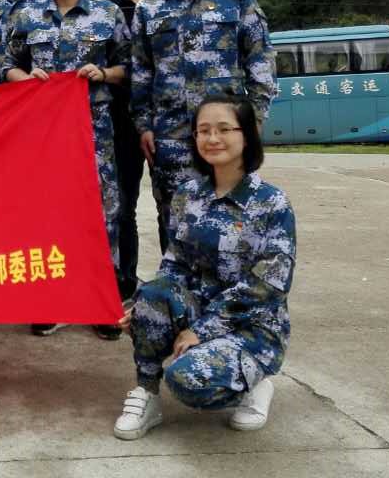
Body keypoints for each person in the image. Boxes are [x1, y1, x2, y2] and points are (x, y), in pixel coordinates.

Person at [113, 93, 296, 440]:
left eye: (224, 129)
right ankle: (146, 392)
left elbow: (269, 286)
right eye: (203, 130)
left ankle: (254, 383)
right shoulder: (187, 195)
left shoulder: (271, 202)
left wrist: (204, 330)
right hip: (198, 311)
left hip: (253, 327)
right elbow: (175, 263)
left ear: (247, 135)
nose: (213, 139)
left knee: (187, 379)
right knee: (152, 295)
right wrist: (142, 307)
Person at [3, 0, 129, 339]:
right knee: (48, 214)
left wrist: (103, 73)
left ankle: (100, 304)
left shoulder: (108, 14)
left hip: (94, 131)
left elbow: (130, 66)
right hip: (43, 135)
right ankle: (52, 301)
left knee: (101, 214)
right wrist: (26, 78)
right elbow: (6, 66)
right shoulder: (27, 16)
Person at [130, 0, 277, 251]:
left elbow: (260, 60)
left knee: (233, 213)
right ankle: (177, 283)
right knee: (174, 219)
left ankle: (230, 282)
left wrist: (255, 117)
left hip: (226, 133)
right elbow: (141, 72)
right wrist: (144, 126)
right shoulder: (149, 8)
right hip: (171, 136)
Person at [103, 0, 158, 316]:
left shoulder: (169, 4)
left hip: (169, 122)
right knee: (122, 208)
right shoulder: (104, 11)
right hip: (117, 123)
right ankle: (124, 284)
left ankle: (177, 288)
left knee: (175, 208)